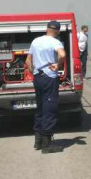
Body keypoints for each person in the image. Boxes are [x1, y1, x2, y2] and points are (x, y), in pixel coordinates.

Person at [26, 20, 66, 153]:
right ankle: (47, 144)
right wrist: (58, 65)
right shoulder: (55, 42)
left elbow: (28, 61)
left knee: (41, 107)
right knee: (50, 107)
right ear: (58, 31)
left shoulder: (36, 41)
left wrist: (34, 72)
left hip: (38, 77)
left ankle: (37, 141)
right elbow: (62, 55)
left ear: (47, 29)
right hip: (49, 77)